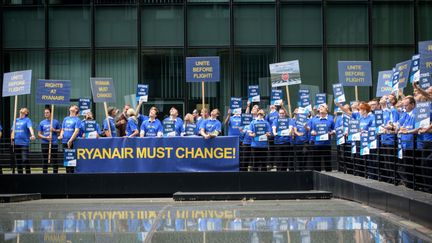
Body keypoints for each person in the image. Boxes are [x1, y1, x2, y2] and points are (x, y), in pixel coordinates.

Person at [310, 104, 335, 171]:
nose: (320, 108)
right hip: (317, 144)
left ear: (326, 109)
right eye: (319, 108)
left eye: (322, 107)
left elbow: (334, 129)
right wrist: (313, 132)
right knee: (317, 163)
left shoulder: (330, 119)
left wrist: (332, 132)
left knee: (327, 162)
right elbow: (312, 130)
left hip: (327, 144)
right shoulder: (315, 120)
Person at [11, 107, 36, 174]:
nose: (20, 113)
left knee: (25, 159)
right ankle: (20, 175)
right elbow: (13, 131)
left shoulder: (27, 120)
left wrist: (32, 135)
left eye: (22, 112)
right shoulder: (15, 120)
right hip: (16, 143)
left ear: (26, 113)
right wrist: (12, 139)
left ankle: (28, 174)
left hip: (24, 143)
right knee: (18, 161)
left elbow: (30, 128)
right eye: (20, 111)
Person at [58, 105, 81, 174]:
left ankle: (72, 174)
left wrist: (70, 140)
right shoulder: (66, 119)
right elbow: (63, 129)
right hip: (64, 141)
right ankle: (67, 173)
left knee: (71, 159)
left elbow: (76, 131)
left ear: (76, 110)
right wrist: (61, 135)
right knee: (66, 159)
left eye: (74, 106)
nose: (72, 107)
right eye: (71, 106)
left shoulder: (77, 120)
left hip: (72, 142)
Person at [37, 107, 61, 174]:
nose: (46, 114)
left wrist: (54, 130)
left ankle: (55, 174)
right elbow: (39, 134)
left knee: (54, 159)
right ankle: (45, 174)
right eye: (45, 113)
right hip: (44, 143)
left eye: (47, 112)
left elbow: (60, 131)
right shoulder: (42, 122)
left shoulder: (55, 121)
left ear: (51, 113)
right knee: (45, 159)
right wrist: (45, 137)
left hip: (54, 143)